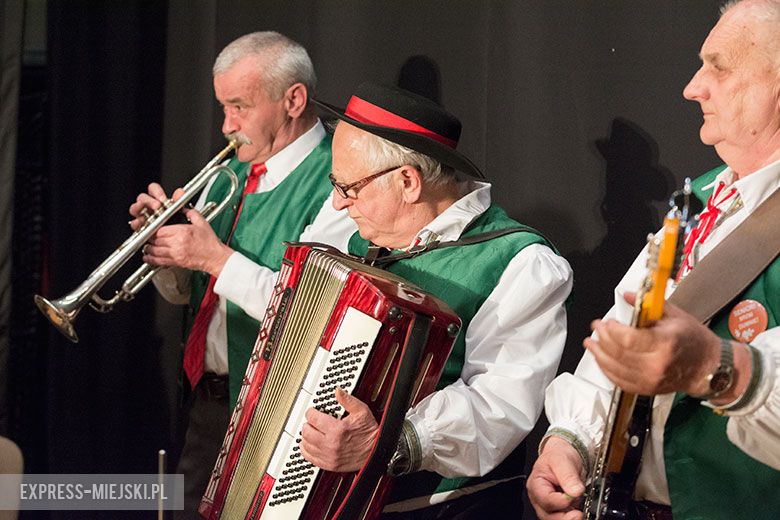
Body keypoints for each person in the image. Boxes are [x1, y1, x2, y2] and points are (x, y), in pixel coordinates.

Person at [527, 1, 780, 519]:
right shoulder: (701, 201)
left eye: (719, 66)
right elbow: (623, 334)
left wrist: (719, 368)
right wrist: (570, 441)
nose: (693, 87)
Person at [298, 82, 573, 518]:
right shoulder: (364, 241)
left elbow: (499, 407)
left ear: (408, 182)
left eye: (348, 187)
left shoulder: (522, 264)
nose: (336, 203)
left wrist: (383, 444)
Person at [127, 31, 355, 518]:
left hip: (280, 411)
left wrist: (212, 257)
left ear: (293, 99)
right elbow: (191, 294)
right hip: (209, 404)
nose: (227, 126)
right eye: (222, 107)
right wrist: (170, 252)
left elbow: (316, 310)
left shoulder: (340, 174)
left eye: (239, 107)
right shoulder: (229, 171)